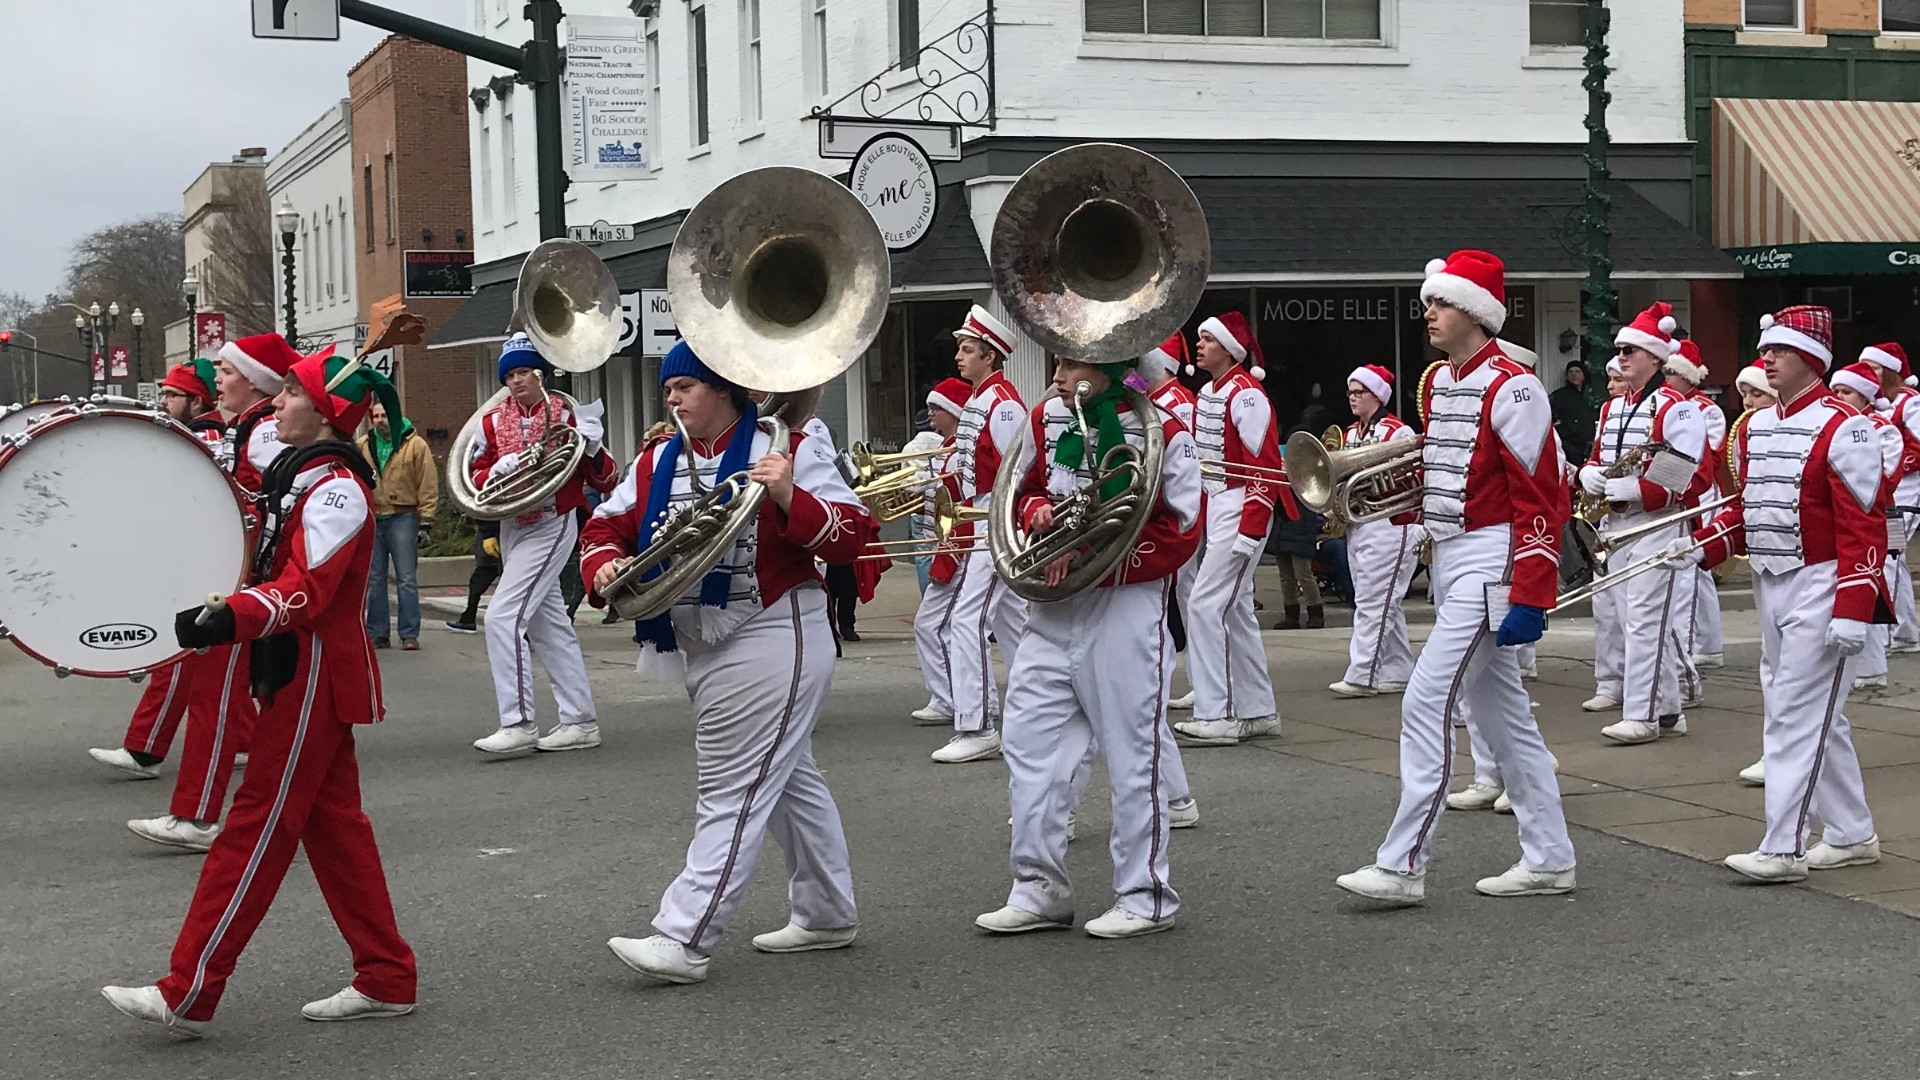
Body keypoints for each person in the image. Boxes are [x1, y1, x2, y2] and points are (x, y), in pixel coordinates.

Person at [103, 351, 416, 1035]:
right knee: (336, 831)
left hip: (310, 670)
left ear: (327, 411)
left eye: (293, 394)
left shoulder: (336, 490)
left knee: (254, 828)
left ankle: (189, 989)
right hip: (293, 668)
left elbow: (308, 588)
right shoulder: (300, 476)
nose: (276, 403)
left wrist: (231, 615)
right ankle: (387, 975)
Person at [583, 341, 868, 984]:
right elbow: (603, 528)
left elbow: (853, 536)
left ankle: (684, 934)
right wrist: (603, 566)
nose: (673, 397)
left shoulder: (786, 445)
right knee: (788, 778)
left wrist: (791, 494)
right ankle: (826, 912)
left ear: (723, 389)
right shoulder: (658, 458)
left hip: (775, 629)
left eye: (686, 385)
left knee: (732, 785)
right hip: (698, 639)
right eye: (670, 388)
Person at [1336, 249, 1574, 904]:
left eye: (1439, 302)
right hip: (1451, 552)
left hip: (1494, 555)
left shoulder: (1515, 386)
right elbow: (1445, 470)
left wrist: (1530, 590)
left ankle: (1403, 863)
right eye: (1429, 303)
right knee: (1504, 721)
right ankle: (1551, 857)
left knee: (1426, 698)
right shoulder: (1439, 382)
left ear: (1475, 310)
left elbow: (1539, 496)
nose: (1428, 312)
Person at [974, 348, 1201, 939]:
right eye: (1058, 362)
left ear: (1109, 368)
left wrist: (1097, 554)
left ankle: (1146, 894)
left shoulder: (1164, 430)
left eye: (1071, 365)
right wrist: (1040, 512)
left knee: (1132, 754)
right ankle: (1037, 887)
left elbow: (1181, 527)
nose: (1056, 376)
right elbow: (1016, 493)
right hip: (1053, 608)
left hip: (1124, 607)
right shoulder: (1043, 422)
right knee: (1029, 747)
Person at [1680, 305, 1887, 881]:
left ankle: (1783, 847)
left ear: (1812, 359)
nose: (1766, 358)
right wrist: (1701, 548)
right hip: (1770, 581)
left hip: (1822, 582)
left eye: (1780, 350)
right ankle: (1849, 833)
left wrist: (1853, 606)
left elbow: (1863, 523)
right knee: (1812, 713)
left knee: (1794, 716)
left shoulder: (1847, 425)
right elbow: (1751, 509)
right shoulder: (1757, 426)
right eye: (1765, 348)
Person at [87, 355, 264, 853]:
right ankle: (212, 789)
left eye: (172, 394)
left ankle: (198, 814)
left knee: (215, 695)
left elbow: (254, 509)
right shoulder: (241, 431)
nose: (163, 402)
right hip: (231, 580)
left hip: (242, 585)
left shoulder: (260, 434)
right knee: (211, 688)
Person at [466, 334, 619, 755]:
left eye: (523, 372)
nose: (516, 381)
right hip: (512, 523)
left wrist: (592, 446)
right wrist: (496, 469)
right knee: (550, 627)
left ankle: (517, 722)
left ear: (541, 373)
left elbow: (607, 480)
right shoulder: (491, 422)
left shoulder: (567, 413)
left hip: (553, 519)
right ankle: (580, 720)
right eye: (509, 374)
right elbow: (470, 480)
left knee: (502, 616)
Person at [1575, 303, 1707, 745]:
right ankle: (1669, 709)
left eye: (1631, 349)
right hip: (1617, 526)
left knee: (1645, 621)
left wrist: (1637, 491)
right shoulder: (1613, 406)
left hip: (1658, 525)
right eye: (1620, 349)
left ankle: (1644, 714)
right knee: (1633, 618)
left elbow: (1687, 473)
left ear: (1655, 357)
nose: (1622, 357)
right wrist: (1588, 474)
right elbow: (1599, 454)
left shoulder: (1677, 407)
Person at [1172, 312, 1289, 747]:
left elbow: (1264, 466)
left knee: (1204, 605)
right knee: (1235, 611)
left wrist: (1251, 527)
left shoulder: (1247, 394)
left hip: (1242, 504)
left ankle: (1216, 711)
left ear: (1230, 349)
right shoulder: (1209, 393)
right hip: (1221, 503)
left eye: (1208, 339)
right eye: (1200, 338)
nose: (1199, 345)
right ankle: (1258, 709)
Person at [931, 306, 1029, 764]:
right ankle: (1039, 709)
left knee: (965, 622)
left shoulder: (1004, 403)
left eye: (967, 350)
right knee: (1018, 626)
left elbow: (1016, 472)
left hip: (996, 519)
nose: (959, 356)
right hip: (980, 516)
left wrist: (1000, 525)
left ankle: (979, 723)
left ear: (990, 355)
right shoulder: (982, 399)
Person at [1329, 364, 1422, 697]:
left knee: (1374, 600)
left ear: (1377, 395)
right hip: (1360, 523)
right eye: (1351, 392)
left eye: (1360, 392)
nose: (1353, 398)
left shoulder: (1397, 431)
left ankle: (1362, 674)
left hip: (1391, 525)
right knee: (1383, 601)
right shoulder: (1350, 434)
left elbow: (1410, 478)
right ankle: (1398, 670)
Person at [1828, 360, 1902, 694]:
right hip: (1845, 516)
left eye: (1846, 391)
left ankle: (1873, 666)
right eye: (1836, 391)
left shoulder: (1884, 429)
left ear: (1866, 395)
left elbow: (1884, 478)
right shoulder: (1838, 424)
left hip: (1879, 516)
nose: (1839, 396)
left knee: (1872, 582)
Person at [1137, 332, 1201, 709]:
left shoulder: (1176, 401)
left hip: (1181, 508)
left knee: (1188, 596)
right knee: (1183, 597)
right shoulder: (1153, 399)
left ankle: (1198, 677)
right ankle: (1194, 676)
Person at [909, 378, 972, 725]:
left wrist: (949, 554)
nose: (930, 413)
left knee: (932, 624)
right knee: (1015, 629)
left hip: (961, 546)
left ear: (954, 412)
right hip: (951, 544)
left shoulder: (961, 453)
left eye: (937, 407)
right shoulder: (946, 449)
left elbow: (963, 504)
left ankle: (949, 698)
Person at [1731, 358, 1777, 789]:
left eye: (1756, 393)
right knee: (1773, 668)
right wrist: (1709, 544)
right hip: (1767, 562)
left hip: (1811, 569)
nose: (1747, 402)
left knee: (1798, 686)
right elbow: (1747, 496)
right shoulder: (1749, 429)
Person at [357, 401, 437, 651]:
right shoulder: (362, 446)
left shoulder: (415, 445)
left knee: (406, 578)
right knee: (375, 579)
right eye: (376, 416)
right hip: (374, 516)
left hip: (404, 516)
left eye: (384, 415)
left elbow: (428, 483)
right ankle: (377, 633)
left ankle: (409, 633)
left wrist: (426, 521)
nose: (380, 420)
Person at [1858, 342, 1920, 656]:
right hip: (1888, 493)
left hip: (1906, 493)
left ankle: (1886, 633)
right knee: (1894, 562)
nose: (1871, 372)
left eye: (1877, 366)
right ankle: (1905, 632)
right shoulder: (1876, 405)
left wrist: (1895, 469)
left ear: (1891, 370)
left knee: (1888, 559)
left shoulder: (1910, 402)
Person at [899, 409, 948, 595]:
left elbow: (906, 486)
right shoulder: (944, 444)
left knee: (923, 557)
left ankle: (926, 597)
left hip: (918, 509)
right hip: (941, 506)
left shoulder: (909, 448)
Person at [445, 519, 501, 633]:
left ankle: (468, 619)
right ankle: (468, 618)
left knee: (479, 583)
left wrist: (488, 533)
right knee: (477, 584)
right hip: (495, 537)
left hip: (496, 536)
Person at [1550, 361, 1599, 464]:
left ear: (1584, 375)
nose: (1574, 375)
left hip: (1587, 447)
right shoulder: (1559, 396)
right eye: (1571, 371)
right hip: (1567, 447)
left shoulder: (1590, 398)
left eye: (1577, 371)